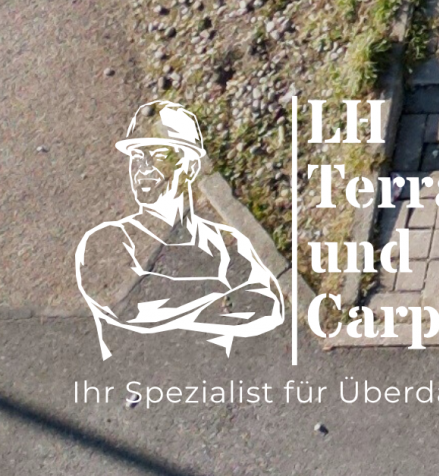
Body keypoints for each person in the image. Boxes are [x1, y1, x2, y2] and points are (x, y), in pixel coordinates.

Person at [76, 102, 285, 361]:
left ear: (186, 167)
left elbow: (268, 310)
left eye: (157, 160)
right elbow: (130, 312)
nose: (144, 173)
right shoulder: (105, 241)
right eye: (137, 161)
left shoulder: (216, 238)